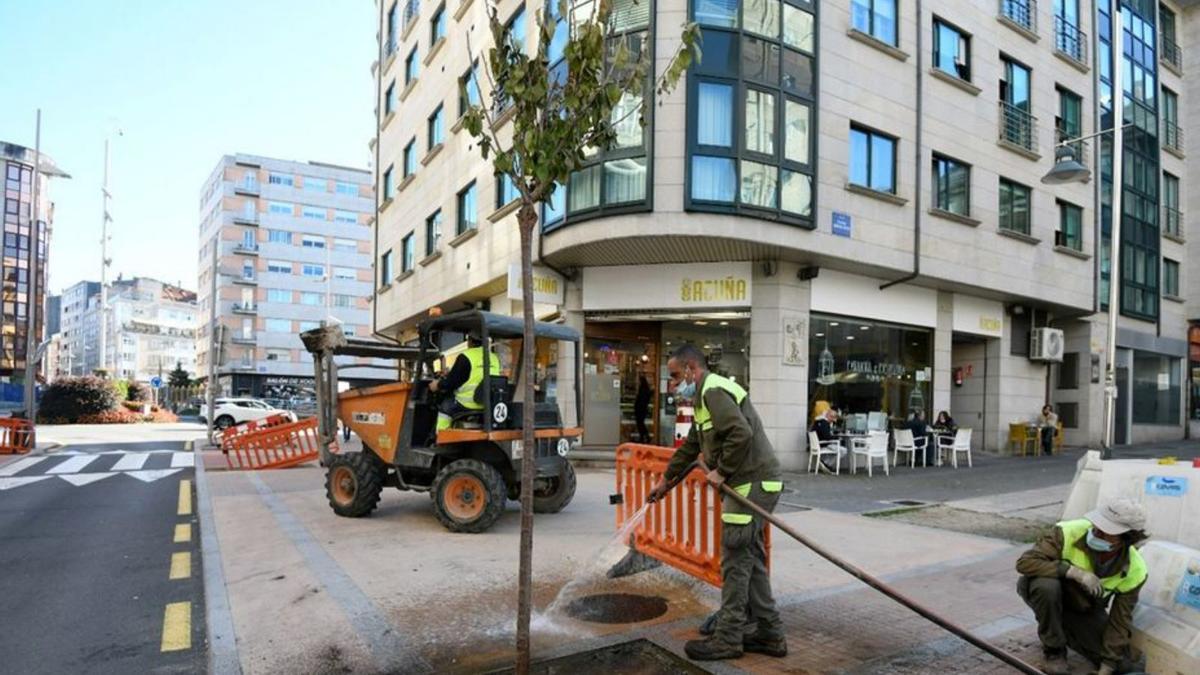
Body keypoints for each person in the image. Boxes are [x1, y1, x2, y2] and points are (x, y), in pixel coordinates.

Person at [648, 345, 786, 662]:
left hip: (752, 483)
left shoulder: (713, 391)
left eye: (674, 376)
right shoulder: (701, 400)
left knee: (736, 558)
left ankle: (728, 639)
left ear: (691, 369)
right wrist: (666, 482)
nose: (671, 384)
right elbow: (692, 446)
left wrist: (721, 471)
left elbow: (741, 433)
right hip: (748, 483)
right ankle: (769, 633)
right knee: (749, 558)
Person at [1015, 498, 1148, 675]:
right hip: (1046, 594)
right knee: (1046, 587)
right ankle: (1054, 652)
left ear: (1126, 539)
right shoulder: (1068, 531)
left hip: (1084, 608)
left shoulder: (1135, 570)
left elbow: (1120, 620)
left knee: (1122, 666)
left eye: (1105, 532)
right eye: (1096, 527)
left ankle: (1065, 630)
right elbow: (1025, 563)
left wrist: (1108, 664)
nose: (1096, 533)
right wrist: (1073, 572)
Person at [428, 336, 500, 430]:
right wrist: (450, 373)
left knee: (445, 407)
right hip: (487, 403)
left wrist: (437, 385)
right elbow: (477, 374)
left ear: (470, 341)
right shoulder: (494, 357)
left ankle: (440, 437)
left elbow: (451, 383)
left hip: (466, 403)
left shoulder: (466, 356)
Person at [810, 401, 843, 472]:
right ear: (828, 416)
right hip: (823, 444)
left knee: (836, 449)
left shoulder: (817, 422)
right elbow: (827, 437)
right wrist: (837, 438)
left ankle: (824, 463)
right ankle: (826, 463)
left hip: (817, 444)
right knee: (843, 450)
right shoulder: (824, 423)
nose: (833, 421)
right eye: (833, 418)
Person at [634, 368, 652, 443]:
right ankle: (644, 436)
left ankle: (645, 436)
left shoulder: (643, 390)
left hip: (641, 409)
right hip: (643, 409)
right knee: (641, 423)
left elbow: (640, 400)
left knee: (640, 423)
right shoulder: (646, 390)